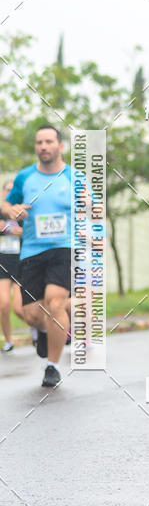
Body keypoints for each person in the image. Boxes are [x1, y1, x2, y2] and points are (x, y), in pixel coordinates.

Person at [2, 125, 72, 387]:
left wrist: (90, 204)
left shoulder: (74, 178)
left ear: (60, 146)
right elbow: (7, 204)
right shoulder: (25, 177)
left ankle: (52, 366)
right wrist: (12, 210)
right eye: (39, 142)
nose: (43, 146)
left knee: (55, 302)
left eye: (49, 141)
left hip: (64, 248)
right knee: (30, 313)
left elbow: (95, 207)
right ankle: (46, 330)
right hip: (32, 251)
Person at [0, 181, 25, 352]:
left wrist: (20, 232)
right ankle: (8, 341)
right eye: (7, 190)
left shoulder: (23, 214)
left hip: (20, 263)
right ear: (3, 193)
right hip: (2, 264)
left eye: (12, 191)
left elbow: (34, 234)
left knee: (19, 307)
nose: (10, 193)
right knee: (3, 305)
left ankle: (38, 328)